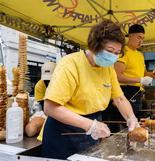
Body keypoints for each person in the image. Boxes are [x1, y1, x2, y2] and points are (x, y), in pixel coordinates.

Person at [41, 20, 139, 159]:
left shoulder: (108, 68)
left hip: (91, 128)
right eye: (109, 51)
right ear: (94, 46)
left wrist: (131, 118)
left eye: (117, 53)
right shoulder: (70, 64)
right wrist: (89, 125)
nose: (113, 57)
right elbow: (50, 107)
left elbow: (120, 98)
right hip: (65, 130)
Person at [102, 24, 155, 132]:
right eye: (139, 37)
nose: (141, 41)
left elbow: (143, 73)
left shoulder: (140, 55)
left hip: (137, 92)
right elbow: (118, 76)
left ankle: (133, 140)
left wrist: (153, 74)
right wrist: (140, 80)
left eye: (143, 38)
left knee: (133, 121)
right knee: (122, 123)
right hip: (124, 91)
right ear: (130, 35)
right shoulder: (122, 51)